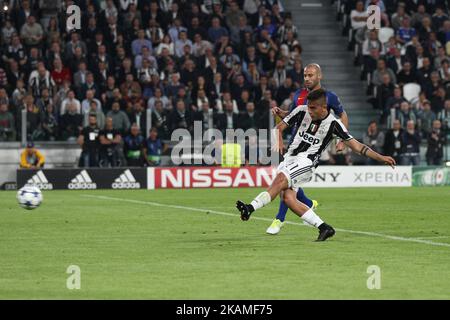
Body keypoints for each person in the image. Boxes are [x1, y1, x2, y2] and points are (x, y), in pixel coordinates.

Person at [236, 89, 396, 241]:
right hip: (289, 158)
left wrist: (380, 157)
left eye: (313, 108)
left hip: (306, 162)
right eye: (308, 106)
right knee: (288, 198)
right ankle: (324, 228)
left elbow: (357, 146)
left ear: (324, 107)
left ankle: (250, 208)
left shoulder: (334, 124)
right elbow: (279, 127)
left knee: (279, 181)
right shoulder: (301, 110)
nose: (310, 111)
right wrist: (278, 140)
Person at [266, 63, 349, 235]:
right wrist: (280, 112)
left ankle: (278, 220)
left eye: (311, 75)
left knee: (285, 183)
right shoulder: (298, 95)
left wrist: (342, 140)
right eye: (305, 75)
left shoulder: (329, 97)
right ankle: (309, 204)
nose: (307, 79)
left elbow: (343, 115)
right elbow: (293, 115)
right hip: (296, 144)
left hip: (313, 147)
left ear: (320, 76)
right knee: (289, 182)